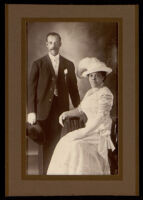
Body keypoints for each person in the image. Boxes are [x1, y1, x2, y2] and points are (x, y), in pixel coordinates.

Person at [47, 57, 115, 175]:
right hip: (89, 130)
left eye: (97, 75)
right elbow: (80, 110)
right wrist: (66, 113)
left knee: (76, 146)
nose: (93, 78)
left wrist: (83, 133)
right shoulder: (90, 93)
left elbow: (99, 119)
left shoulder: (105, 93)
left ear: (103, 77)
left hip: (100, 132)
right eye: (90, 75)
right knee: (65, 142)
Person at [27, 32, 80, 174]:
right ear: (46, 44)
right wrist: (31, 111)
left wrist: (79, 107)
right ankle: (43, 176)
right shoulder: (38, 64)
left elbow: (73, 89)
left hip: (61, 111)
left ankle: (54, 174)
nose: (53, 45)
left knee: (57, 144)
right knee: (44, 145)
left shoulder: (69, 64)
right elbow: (31, 89)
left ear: (60, 44)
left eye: (56, 42)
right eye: (50, 42)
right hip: (42, 111)